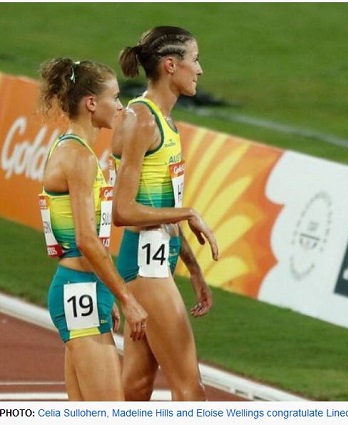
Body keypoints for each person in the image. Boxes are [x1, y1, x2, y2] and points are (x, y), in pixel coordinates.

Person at [111, 26, 219, 401]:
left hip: (156, 262)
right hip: (147, 268)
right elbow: (122, 210)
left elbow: (161, 208)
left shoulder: (165, 121)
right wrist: (188, 212)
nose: (200, 70)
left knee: (136, 386)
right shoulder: (142, 120)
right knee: (191, 392)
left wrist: (193, 267)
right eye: (195, 60)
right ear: (171, 65)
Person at [38, 57, 147, 400]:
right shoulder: (79, 158)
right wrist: (127, 299)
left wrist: (105, 290)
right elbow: (86, 240)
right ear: (90, 103)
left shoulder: (73, 148)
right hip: (78, 289)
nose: (120, 105)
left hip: (83, 287)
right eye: (114, 97)